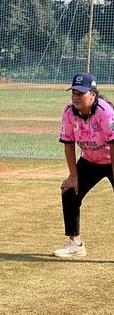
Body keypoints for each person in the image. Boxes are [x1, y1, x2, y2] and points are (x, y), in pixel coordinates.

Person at [53, 73, 114, 258]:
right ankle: (75, 243)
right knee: (69, 191)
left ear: (93, 94)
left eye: (81, 93)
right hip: (90, 160)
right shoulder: (69, 112)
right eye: (74, 93)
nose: (76, 97)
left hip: (112, 157)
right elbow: (68, 143)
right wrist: (73, 176)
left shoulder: (105, 112)